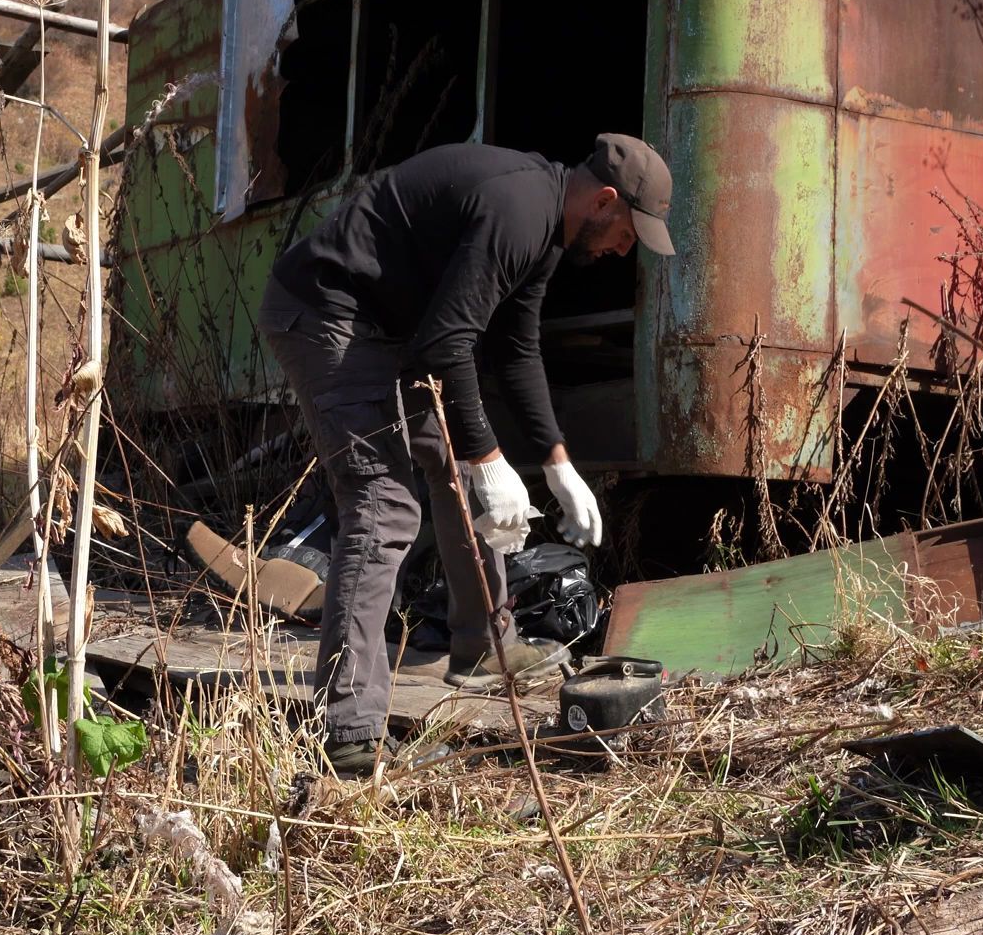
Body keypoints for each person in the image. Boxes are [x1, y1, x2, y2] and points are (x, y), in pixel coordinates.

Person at [257, 133, 676, 776]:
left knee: (453, 471)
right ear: (604, 201)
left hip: (388, 330)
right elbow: (446, 346)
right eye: (628, 232)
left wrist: (557, 463)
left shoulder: (544, 228)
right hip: (327, 316)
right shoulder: (518, 209)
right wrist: (489, 461)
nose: (625, 249)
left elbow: (515, 352)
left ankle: (485, 646)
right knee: (384, 505)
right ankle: (349, 732)